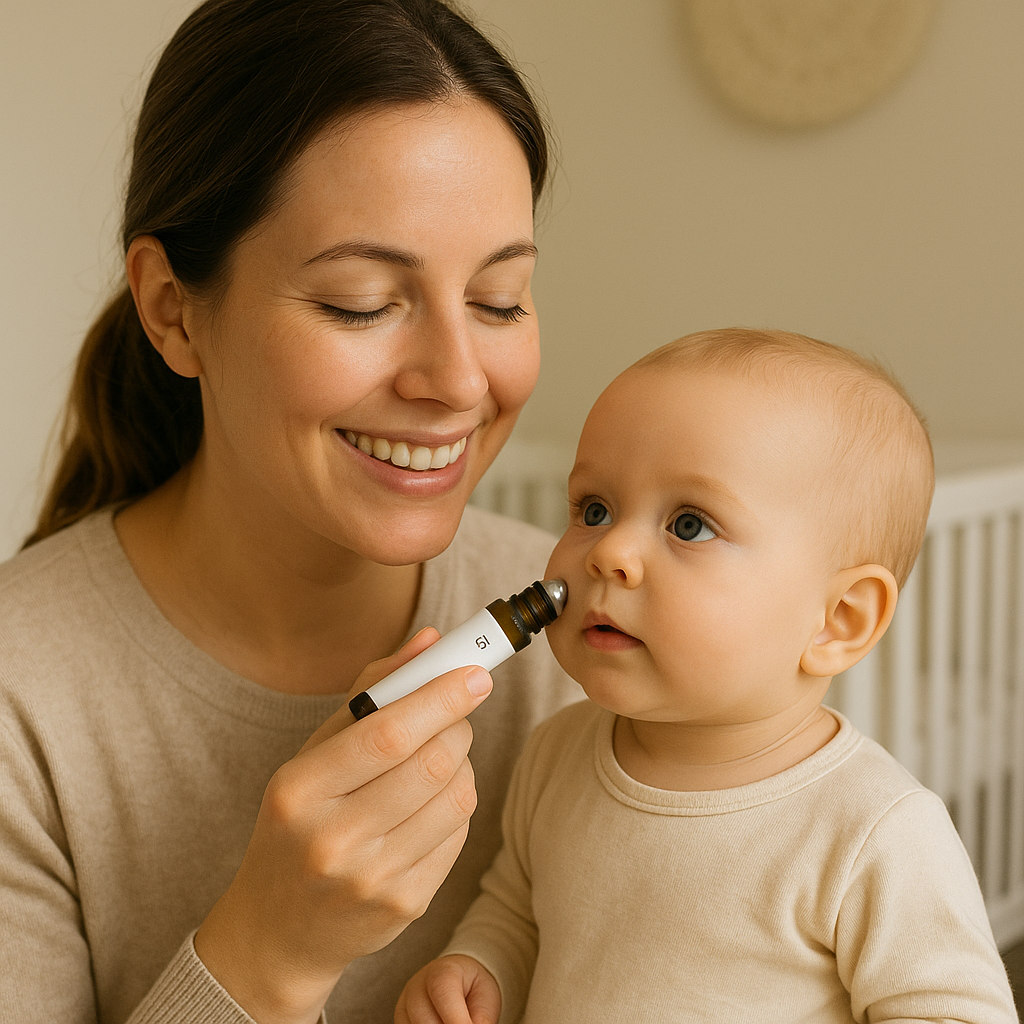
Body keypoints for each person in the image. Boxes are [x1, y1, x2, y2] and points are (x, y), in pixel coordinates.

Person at [0, 1, 583, 1021]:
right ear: (173, 309)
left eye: (499, 299)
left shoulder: (585, 638)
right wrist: (267, 954)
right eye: (361, 301)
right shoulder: (24, 704)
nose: (458, 379)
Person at [396, 328, 1018, 1024]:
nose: (611, 551)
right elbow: (518, 910)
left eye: (689, 526)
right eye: (595, 510)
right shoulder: (556, 753)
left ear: (838, 620)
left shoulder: (874, 828)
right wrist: (480, 968)